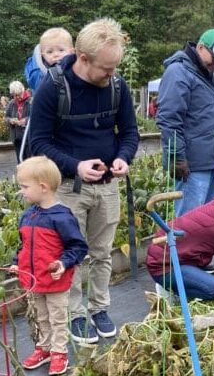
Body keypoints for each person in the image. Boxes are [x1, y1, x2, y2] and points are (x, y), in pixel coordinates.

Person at [30, 17, 139, 344]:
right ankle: (75, 314)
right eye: (106, 68)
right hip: (68, 188)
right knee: (71, 254)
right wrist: (75, 166)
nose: (112, 74)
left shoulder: (117, 86)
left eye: (115, 67)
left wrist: (124, 157)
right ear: (83, 57)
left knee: (103, 253)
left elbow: (130, 133)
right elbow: (39, 142)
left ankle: (100, 307)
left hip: (107, 187)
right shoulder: (53, 87)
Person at [9, 157, 88, 376]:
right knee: (40, 317)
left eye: (25, 186)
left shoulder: (62, 217)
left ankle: (59, 352)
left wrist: (63, 263)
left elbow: (78, 247)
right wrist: (17, 264)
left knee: (57, 317)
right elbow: (24, 245)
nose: (21, 191)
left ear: (43, 187)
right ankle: (44, 348)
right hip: (32, 280)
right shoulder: (28, 215)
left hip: (55, 280)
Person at [156, 28, 214, 218]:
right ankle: (182, 249)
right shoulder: (179, 72)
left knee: (203, 224)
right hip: (192, 165)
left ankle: (195, 250)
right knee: (188, 222)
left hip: (210, 161)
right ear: (200, 47)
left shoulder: (205, 73)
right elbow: (169, 118)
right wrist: (177, 157)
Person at [24, 27, 74, 92]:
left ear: (72, 51)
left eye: (61, 50)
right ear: (43, 55)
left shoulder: (78, 69)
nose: (56, 54)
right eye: (49, 52)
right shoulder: (42, 76)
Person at [5, 81, 31, 162]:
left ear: (23, 91)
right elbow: (6, 117)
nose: (18, 97)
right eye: (15, 95)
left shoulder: (32, 101)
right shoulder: (11, 103)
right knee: (20, 163)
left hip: (29, 138)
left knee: (30, 163)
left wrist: (26, 120)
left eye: (19, 94)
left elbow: (38, 116)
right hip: (17, 139)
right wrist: (11, 120)